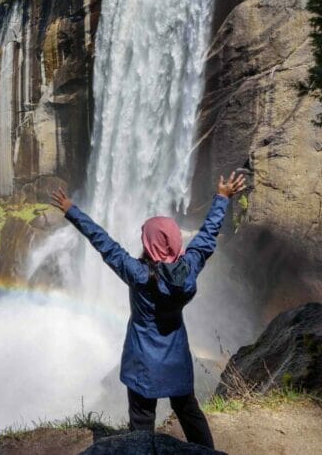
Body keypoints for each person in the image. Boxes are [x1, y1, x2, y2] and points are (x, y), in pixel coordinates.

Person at [50, 172, 247, 448]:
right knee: (188, 411)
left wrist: (72, 211)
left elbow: (104, 243)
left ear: (148, 245)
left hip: (142, 363)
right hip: (176, 360)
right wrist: (223, 198)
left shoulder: (137, 273)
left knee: (141, 425)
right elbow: (207, 235)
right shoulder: (190, 268)